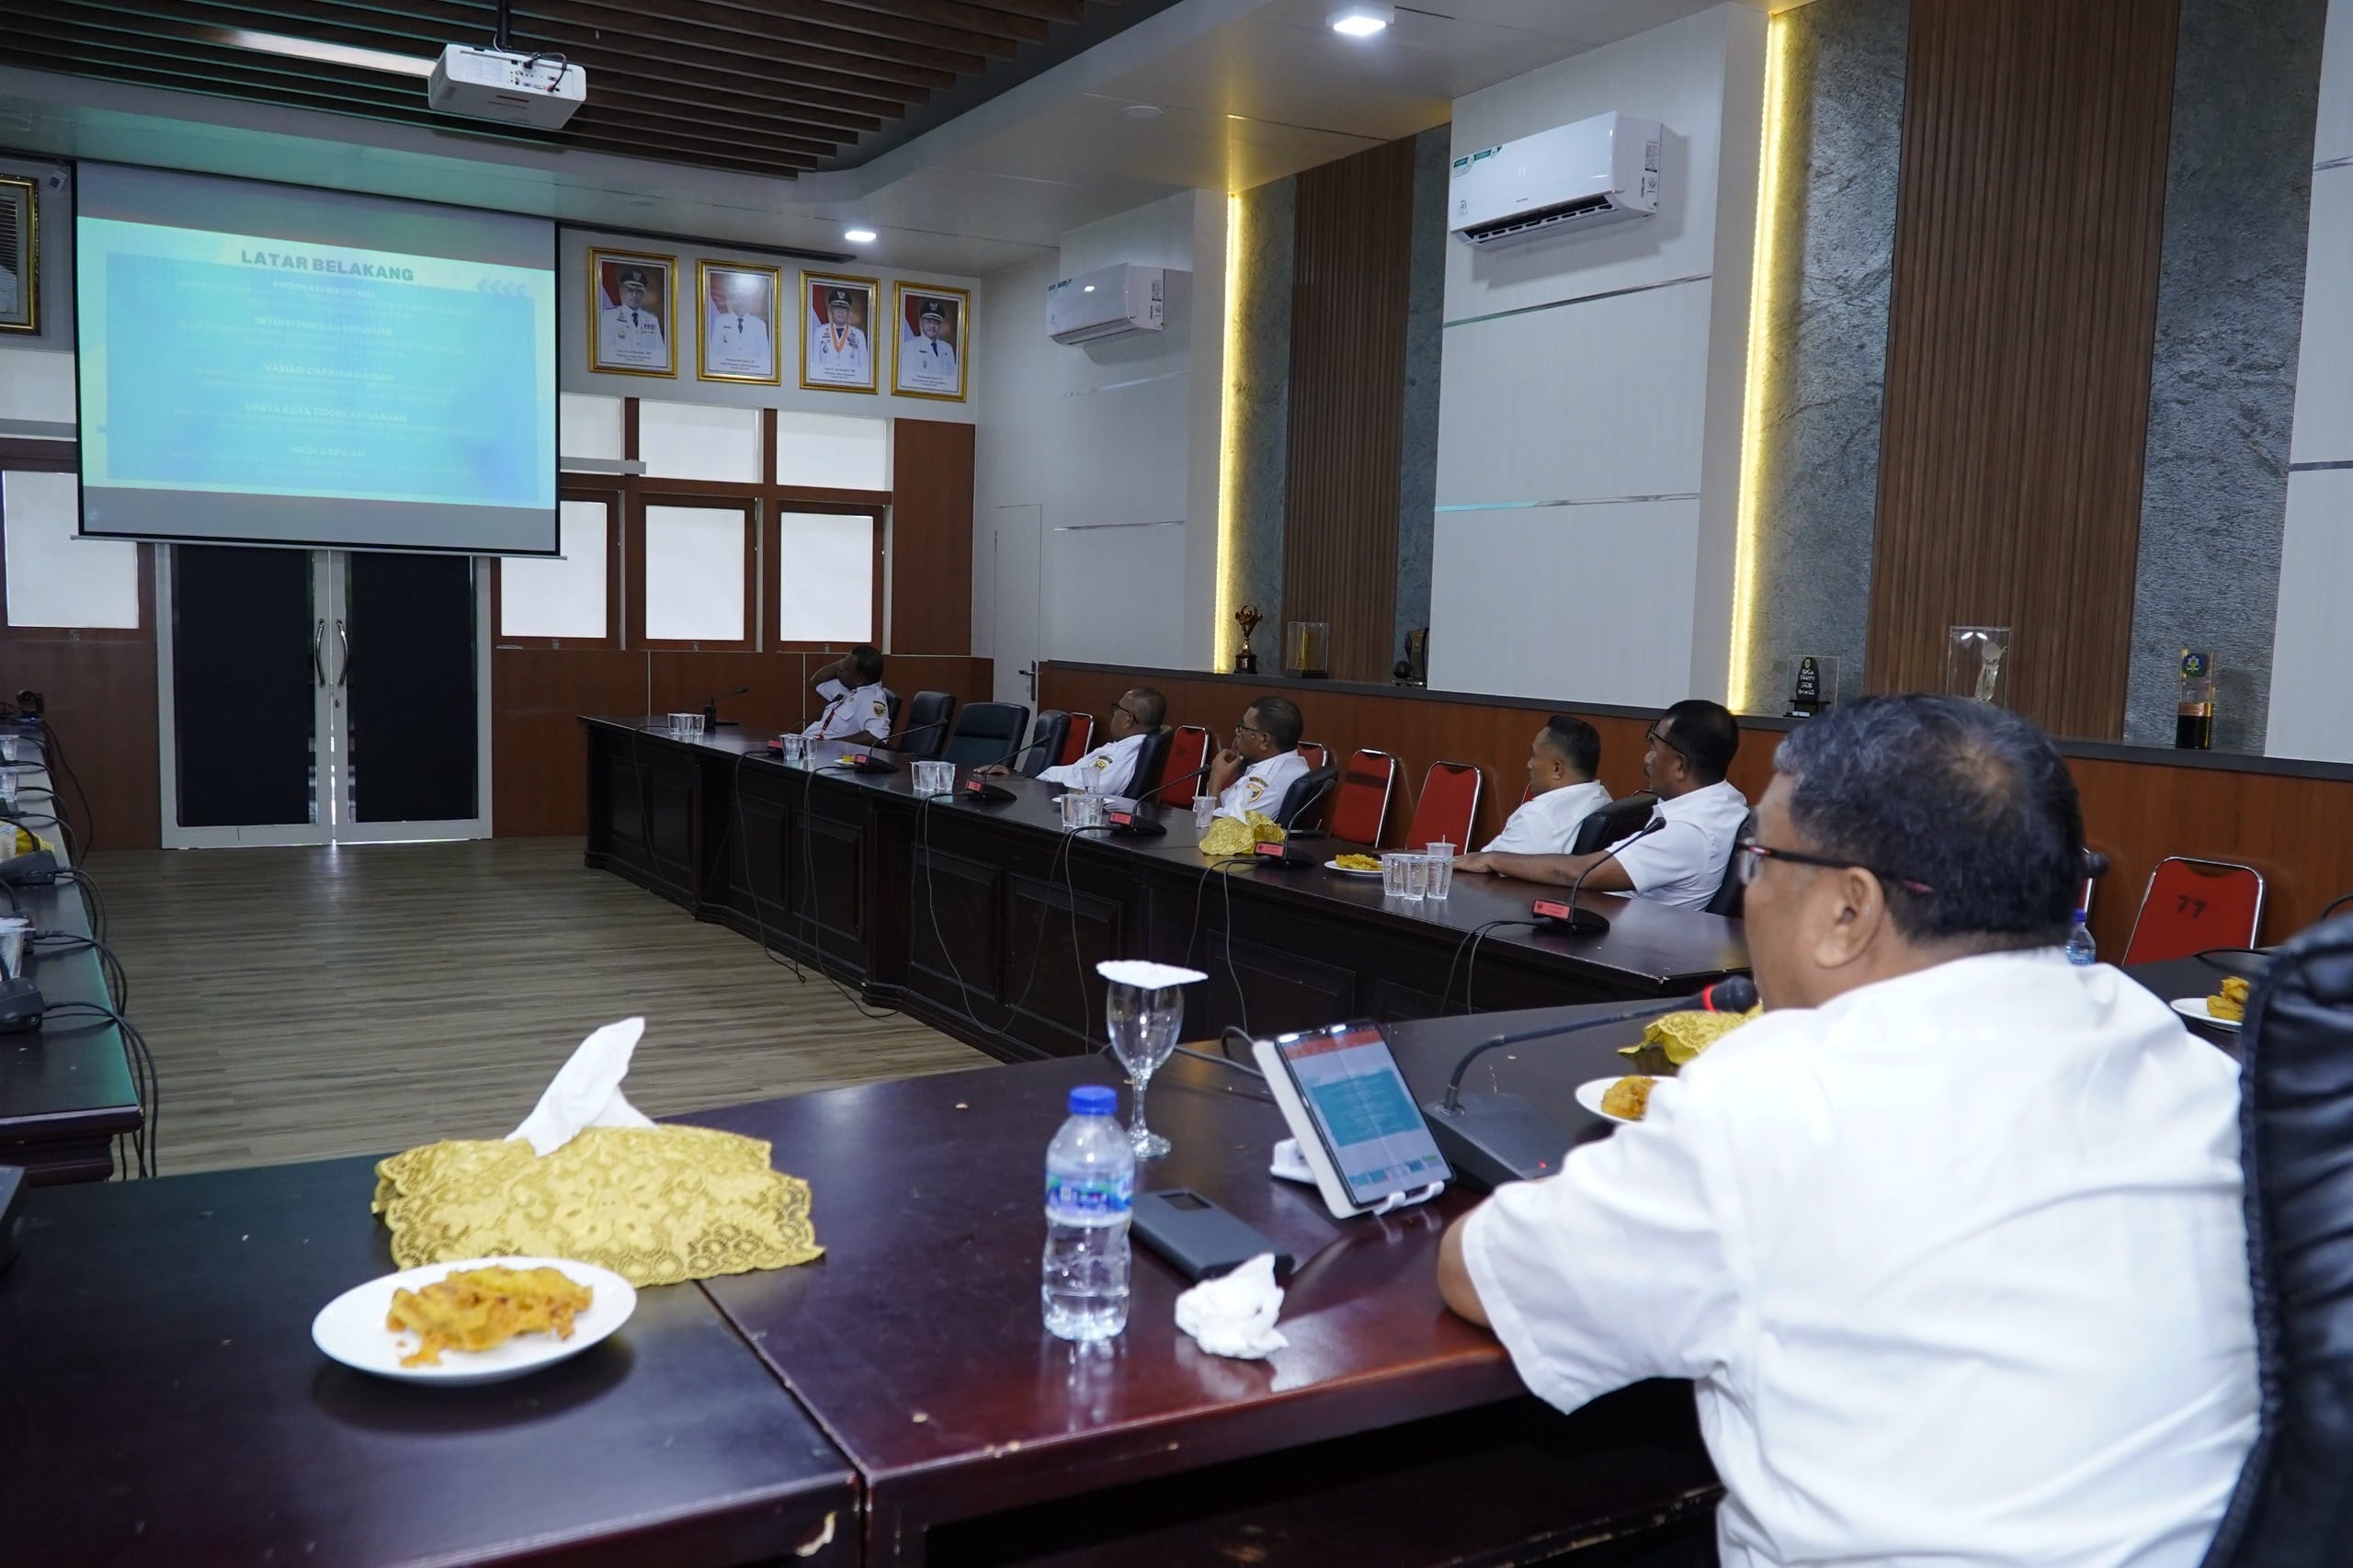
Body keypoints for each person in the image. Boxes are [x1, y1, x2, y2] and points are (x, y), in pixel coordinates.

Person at [1437, 695, 2256, 1568]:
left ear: (1848, 910)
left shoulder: (1781, 1096)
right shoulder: (2192, 1070)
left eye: (1758, 860)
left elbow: (1481, 1273)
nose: (1748, 892)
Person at [1454, 699, 1745, 909]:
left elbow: (1580, 873)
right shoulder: (1726, 802)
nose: (1647, 758)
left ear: (1680, 766)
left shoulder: (1686, 832)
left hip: (1629, 947)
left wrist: (1492, 858)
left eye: (1654, 749)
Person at [979, 688, 1165, 794]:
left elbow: (1090, 790)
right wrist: (1019, 777)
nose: (1114, 713)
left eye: (1117, 708)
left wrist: (1025, 784)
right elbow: (1073, 773)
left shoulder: (1121, 755)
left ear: (1128, 720)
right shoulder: (1125, 747)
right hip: (1047, 790)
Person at [1482, 716, 1611, 856]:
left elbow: (1484, 864)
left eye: (1534, 756)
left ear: (1557, 769)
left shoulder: (1538, 816)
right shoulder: (1602, 798)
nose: (1529, 764)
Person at [1202, 696, 1309, 823]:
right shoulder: (1292, 764)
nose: (1237, 731)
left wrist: (1215, 783)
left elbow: (1223, 831)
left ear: (1264, 740)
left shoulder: (1266, 782)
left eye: (1243, 727)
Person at [801, 645, 889, 742]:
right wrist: (843, 663)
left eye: (846, 668)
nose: (840, 668)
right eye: (842, 663)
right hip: (809, 743)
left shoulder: (871, 699)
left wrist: (835, 743)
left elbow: (877, 736)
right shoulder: (850, 686)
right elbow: (817, 681)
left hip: (829, 749)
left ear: (860, 679)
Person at [598, 267, 666, 369]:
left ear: (643, 294)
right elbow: (605, 352)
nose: (635, 295)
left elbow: (660, 355)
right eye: (630, 290)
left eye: (639, 291)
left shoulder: (652, 320)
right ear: (623, 292)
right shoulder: (609, 316)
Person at [706, 276, 772, 378]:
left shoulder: (759, 325)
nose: (741, 302)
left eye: (744, 298)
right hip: (724, 374)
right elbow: (714, 352)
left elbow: (764, 357)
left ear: (749, 301)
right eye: (737, 298)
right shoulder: (720, 321)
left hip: (753, 375)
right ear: (732, 301)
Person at [811, 289, 870, 382]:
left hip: (851, 385)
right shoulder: (820, 332)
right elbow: (815, 364)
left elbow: (864, 369)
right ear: (831, 310)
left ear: (848, 310)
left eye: (844, 308)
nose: (840, 312)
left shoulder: (859, 335)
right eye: (837, 307)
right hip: (825, 384)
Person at [903, 301, 958, 389]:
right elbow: (907, 380)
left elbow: (953, 380)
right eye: (928, 321)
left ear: (940, 325)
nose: (932, 326)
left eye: (936, 322)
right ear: (922, 323)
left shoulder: (947, 348)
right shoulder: (910, 346)